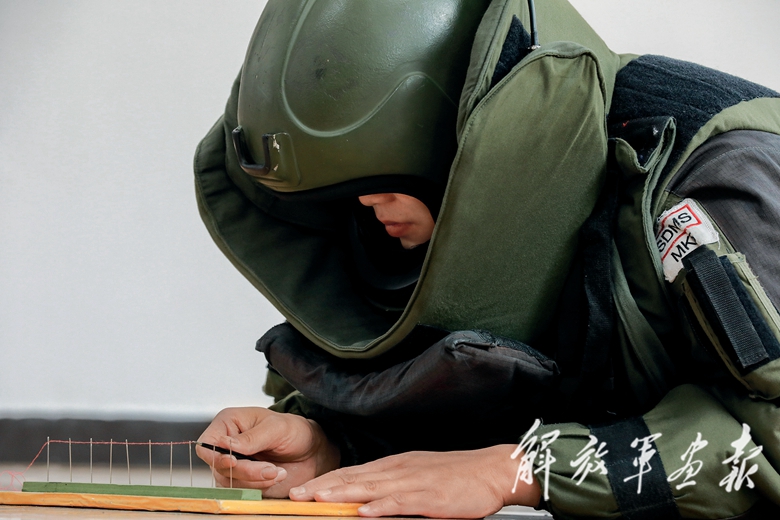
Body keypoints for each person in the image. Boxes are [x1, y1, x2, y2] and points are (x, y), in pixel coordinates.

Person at [193, 0, 780, 518]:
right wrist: (330, 443)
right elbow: (504, 386)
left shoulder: (721, 177)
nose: (368, 204)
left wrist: (522, 471)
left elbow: (767, 437)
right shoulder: (480, 214)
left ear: (468, 136)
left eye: (385, 179)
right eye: (350, 189)